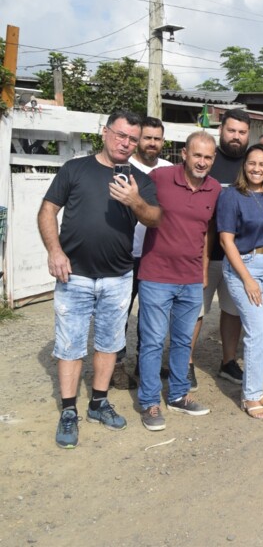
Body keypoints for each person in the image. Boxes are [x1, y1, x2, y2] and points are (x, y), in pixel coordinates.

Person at [38, 111, 160, 448]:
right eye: (120, 135)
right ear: (105, 133)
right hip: (73, 275)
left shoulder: (139, 180)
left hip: (118, 277)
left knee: (108, 343)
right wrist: (54, 251)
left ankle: (98, 403)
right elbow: (47, 210)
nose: (126, 143)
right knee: (70, 345)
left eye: (133, 139)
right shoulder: (75, 169)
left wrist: (135, 200)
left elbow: (155, 219)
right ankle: (67, 410)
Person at [137, 131, 221, 431]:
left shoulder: (214, 189)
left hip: (190, 277)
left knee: (184, 341)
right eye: (197, 155)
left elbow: (208, 230)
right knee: (153, 341)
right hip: (156, 275)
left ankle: (177, 396)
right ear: (184, 154)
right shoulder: (160, 177)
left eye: (208, 157)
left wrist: (204, 266)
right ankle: (149, 402)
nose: (202, 162)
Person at [218, 145, 263, 419]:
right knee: (257, 332)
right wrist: (247, 279)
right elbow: (225, 240)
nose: (257, 169)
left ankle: (255, 388)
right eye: (252, 163)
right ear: (244, 166)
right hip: (245, 266)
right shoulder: (231, 196)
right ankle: (250, 396)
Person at [112, 116, 173, 390]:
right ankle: (117, 366)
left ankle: (144, 362)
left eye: (157, 138)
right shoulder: (122, 166)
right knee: (120, 313)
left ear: (163, 141)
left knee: (151, 315)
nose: (151, 143)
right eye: (146, 138)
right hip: (124, 254)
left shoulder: (170, 169)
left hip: (156, 254)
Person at [193, 108, 252, 386]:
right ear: (221, 130)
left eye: (242, 132)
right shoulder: (208, 162)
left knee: (233, 311)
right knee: (195, 311)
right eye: (231, 130)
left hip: (238, 256)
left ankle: (228, 361)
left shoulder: (253, 164)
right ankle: (186, 363)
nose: (236, 137)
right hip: (203, 254)